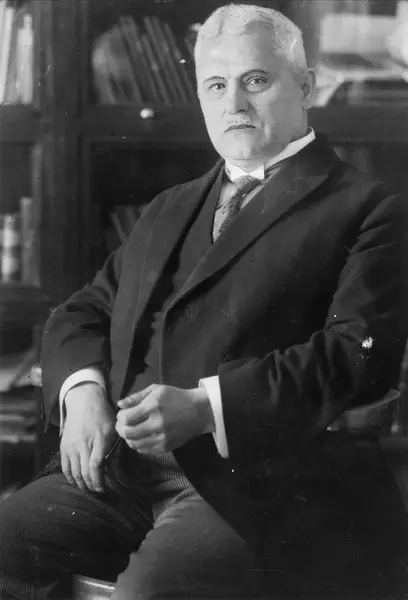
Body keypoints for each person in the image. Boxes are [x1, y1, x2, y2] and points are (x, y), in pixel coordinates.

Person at [1, 3, 408, 599]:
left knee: (148, 594)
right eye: (216, 85)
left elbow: (356, 357)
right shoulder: (171, 206)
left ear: (305, 86)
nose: (233, 103)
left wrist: (205, 406)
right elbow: (84, 310)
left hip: (262, 484)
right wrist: (82, 393)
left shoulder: (371, 209)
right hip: (125, 470)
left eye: (255, 80)